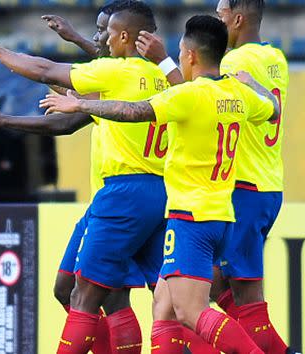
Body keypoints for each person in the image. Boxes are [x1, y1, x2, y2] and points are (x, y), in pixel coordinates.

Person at [39, 14, 280, 354]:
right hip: (220, 213)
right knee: (165, 308)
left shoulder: (189, 96)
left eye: (181, 53)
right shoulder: (236, 92)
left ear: (192, 56)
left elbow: (133, 111)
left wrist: (79, 102)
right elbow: (272, 108)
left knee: (191, 311)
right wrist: (249, 82)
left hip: (190, 217)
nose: (180, 58)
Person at [0, 2, 170, 352]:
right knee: (94, 291)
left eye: (105, 31)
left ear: (123, 36)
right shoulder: (166, 75)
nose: (99, 38)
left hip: (123, 192)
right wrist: (75, 38)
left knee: (87, 293)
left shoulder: (114, 73)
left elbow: (46, 71)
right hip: (157, 189)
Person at [136, 0, 291, 351]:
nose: (218, 22)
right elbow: (267, 108)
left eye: (221, 16)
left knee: (234, 304)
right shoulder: (276, 59)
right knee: (173, 301)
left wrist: (163, 61)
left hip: (236, 190)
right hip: (267, 184)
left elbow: (195, 98)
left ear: (237, 19)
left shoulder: (232, 62)